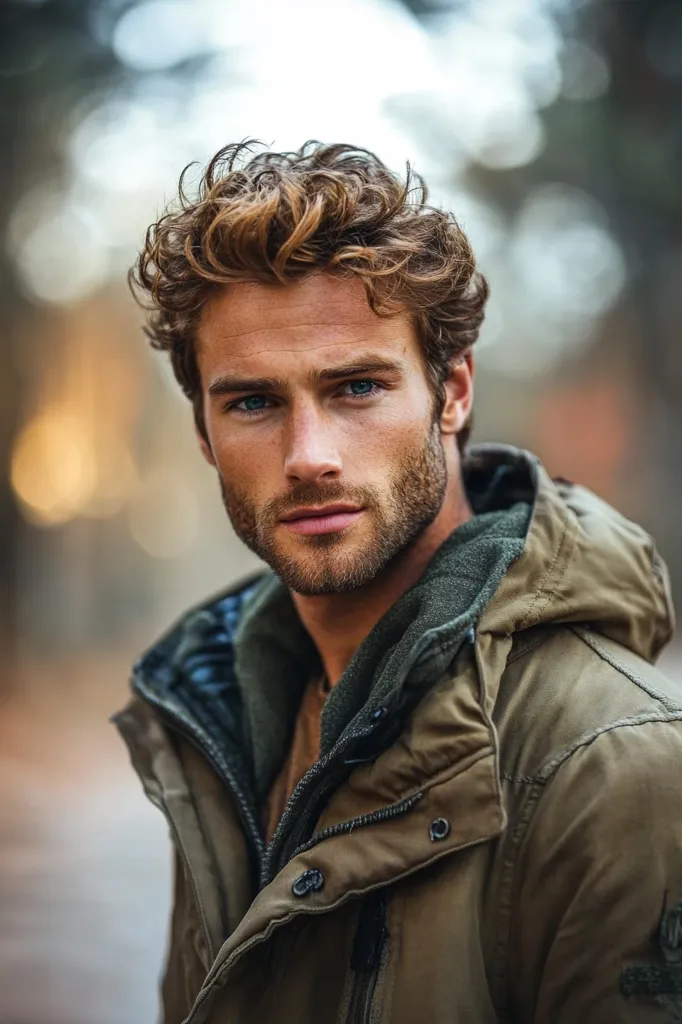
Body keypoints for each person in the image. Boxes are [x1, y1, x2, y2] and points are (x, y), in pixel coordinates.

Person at [113, 141, 682, 1024]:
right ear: (203, 431)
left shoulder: (620, 765)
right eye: (253, 402)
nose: (309, 457)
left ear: (450, 392)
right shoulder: (218, 719)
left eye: (357, 388)